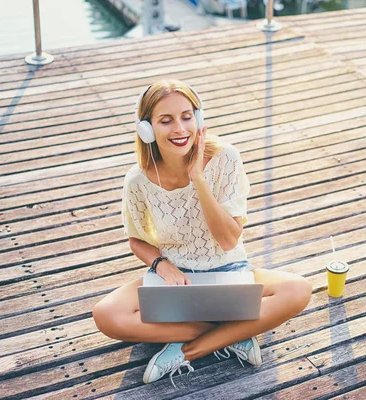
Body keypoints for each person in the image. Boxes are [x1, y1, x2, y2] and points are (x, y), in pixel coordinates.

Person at [92, 79, 313, 387]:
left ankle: (189, 348)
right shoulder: (138, 180)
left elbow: (228, 239)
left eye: (186, 116)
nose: (180, 129)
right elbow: (137, 240)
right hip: (174, 280)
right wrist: (163, 266)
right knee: (106, 315)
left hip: (230, 269)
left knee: (299, 289)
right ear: (146, 128)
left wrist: (198, 178)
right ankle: (234, 332)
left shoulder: (225, 158)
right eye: (165, 120)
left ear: (199, 117)